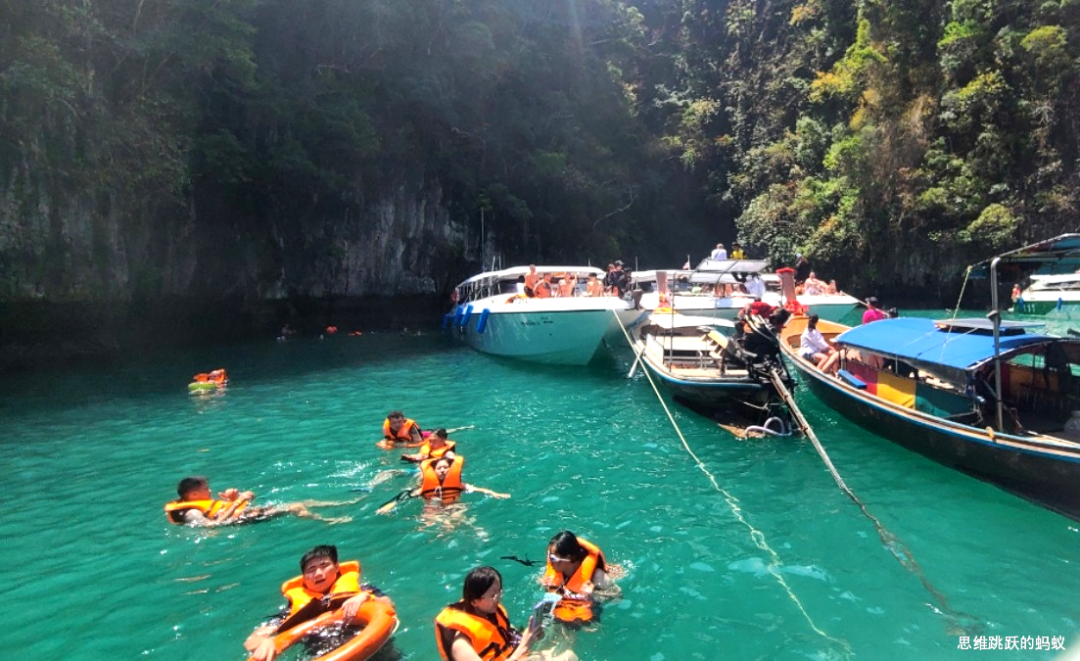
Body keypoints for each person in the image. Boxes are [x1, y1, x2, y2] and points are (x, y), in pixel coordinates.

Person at [244, 545, 393, 661]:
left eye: (324, 566)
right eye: (311, 569)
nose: (318, 574)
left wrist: (364, 597)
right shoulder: (293, 610)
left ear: (336, 568)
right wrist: (266, 641)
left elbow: (388, 606)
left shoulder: (362, 590)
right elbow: (251, 640)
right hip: (322, 653)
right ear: (304, 578)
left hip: (373, 649)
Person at [435, 566, 577, 661]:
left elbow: (506, 640)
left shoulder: (490, 614)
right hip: (515, 656)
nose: (499, 598)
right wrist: (525, 645)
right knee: (569, 657)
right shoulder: (461, 645)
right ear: (474, 602)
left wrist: (532, 634)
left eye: (499, 592)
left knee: (565, 633)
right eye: (493, 595)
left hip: (512, 655)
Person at [165, 476, 354, 526]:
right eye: (206, 489)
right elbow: (212, 528)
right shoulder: (191, 512)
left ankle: (342, 504)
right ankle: (327, 521)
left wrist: (232, 501)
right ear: (194, 496)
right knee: (296, 507)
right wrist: (237, 502)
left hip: (241, 514)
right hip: (237, 524)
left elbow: (220, 511)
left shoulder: (198, 503)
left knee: (305, 501)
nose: (210, 491)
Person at [541, 531, 617, 625]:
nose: (550, 561)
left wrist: (593, 594)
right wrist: (544, 584)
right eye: (549, 555)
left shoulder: (597, 576)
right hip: (562, 611)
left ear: (568, 557)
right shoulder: (558, 570)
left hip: (585, 619)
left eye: (553, 558)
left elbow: (617, 597)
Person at [413, 455, 509, 505]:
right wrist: (396, 503)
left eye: (445, 467)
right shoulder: (423, 487)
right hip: (433, 507)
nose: (442, 470)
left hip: (453, 505)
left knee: (462, 519)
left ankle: (477, 531)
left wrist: (494, 493)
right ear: (434, 471)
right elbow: (409, 495)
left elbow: (478, 489)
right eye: (439, 468)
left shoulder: (459, 484)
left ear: (450, 469)